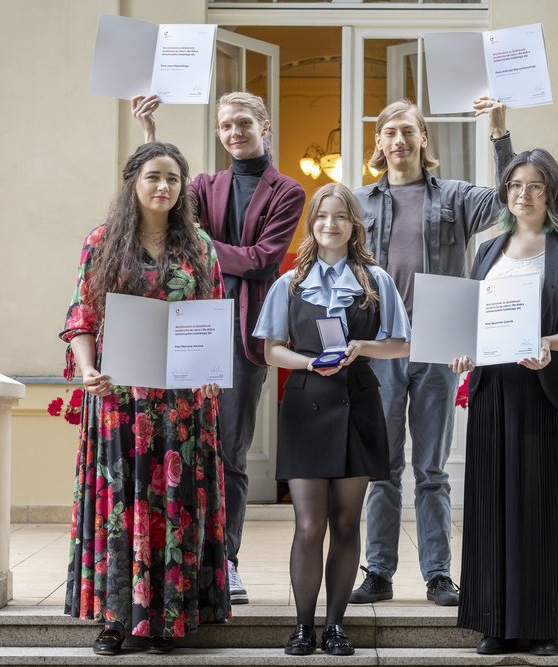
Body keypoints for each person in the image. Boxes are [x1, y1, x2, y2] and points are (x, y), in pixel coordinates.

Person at [133, 92, 305, 605]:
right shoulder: (205, 184)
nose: (234, 132)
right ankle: (181, 556)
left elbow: (262, 259)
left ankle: (226, 561)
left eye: (244, 123)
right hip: (186, 327)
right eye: (226, 125)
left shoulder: (287, 191)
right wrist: (149, 135)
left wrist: (201, 244)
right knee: (175, 444)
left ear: (265, 125)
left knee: (229, 450)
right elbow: (158, 204)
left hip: (240, 334)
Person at [60, 142, 231, 656]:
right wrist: (88, 368)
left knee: (172, 505)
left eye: (174, 180)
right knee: (122, 507)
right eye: (154, 176)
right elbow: (81, 317)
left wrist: (211, 374)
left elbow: (212, 315)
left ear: (183, 189)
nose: (164, 187)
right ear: (134, 180)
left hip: (181, 404)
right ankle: (114, 622)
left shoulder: (199, 246)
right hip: (119, 401)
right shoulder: (103, 241)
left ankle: (168, 621)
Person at [349, 96, 515, 607]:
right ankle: (377, 571)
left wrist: (498, 133)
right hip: (381, 347)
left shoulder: (456, 198)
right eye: (389, 132)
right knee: (382, 466)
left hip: (439, 345)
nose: (398, 140)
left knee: (433, 469)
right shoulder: (358, 203)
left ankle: (438, 573)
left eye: (408, 131)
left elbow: (513, 198)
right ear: (378, 143)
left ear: (424, 139)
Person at [450, 148, 558, 656]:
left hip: (546, 395)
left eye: (535, 185)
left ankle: (542, 625)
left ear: (551, 191)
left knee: (540, 509)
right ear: (505, 192)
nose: (523, 194)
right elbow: (472, 320)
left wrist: (548, 343)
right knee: (492, 507)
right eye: (515, 185)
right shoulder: (487, 251)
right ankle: (494, 622)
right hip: (494, 395)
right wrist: (463, 353)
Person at [252, 183, 411, 656]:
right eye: (322, 216)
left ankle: (336, 625)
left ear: (354, 224)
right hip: (306, 403)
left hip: (359, 402)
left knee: (346, 523)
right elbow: (270, 349)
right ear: (313, 224)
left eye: (340, 216)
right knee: (308, 525)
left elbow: (402, 344)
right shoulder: (290, 282)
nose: (330, 224)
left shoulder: (375, 280)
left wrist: (363, 348)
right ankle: (303, 626)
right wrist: (308, 363)